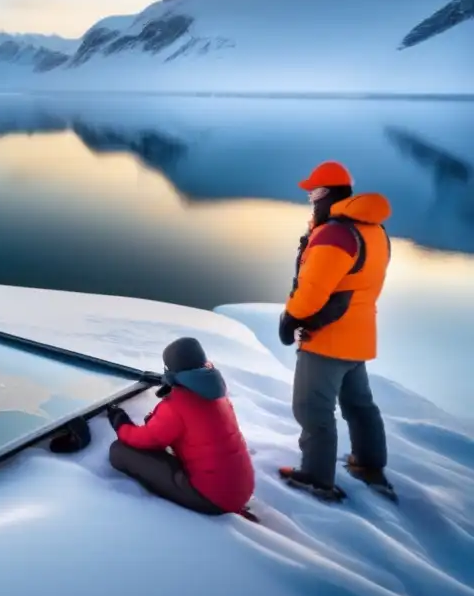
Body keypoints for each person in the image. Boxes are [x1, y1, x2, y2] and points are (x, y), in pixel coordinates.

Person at [277, 160, 395, 502]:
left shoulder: (335, 234)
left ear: (325, 193)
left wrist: (290, 318)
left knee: (312, 409)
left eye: (312, 191)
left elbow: (313, 291)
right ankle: (368, 464)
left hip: (326, 338)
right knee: (360, 405)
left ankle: (316, 477)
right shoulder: (374, 231)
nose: (309, 197)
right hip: (358, 335)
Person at [105, 337, 255, 517]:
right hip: (240, 489)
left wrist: (120, 423)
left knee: (119, 451)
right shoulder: (216, 393)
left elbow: (146, 439)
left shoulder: (177, 405)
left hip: (211, 497)